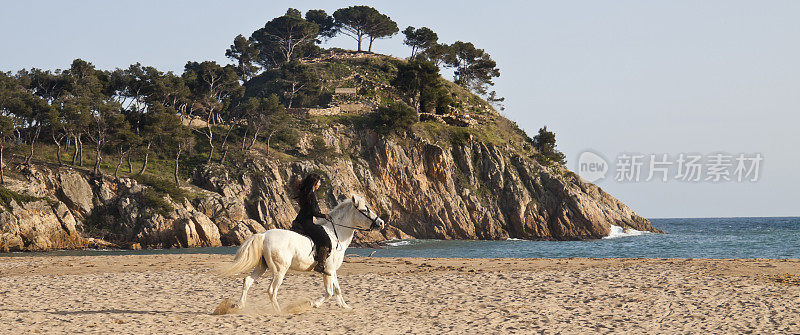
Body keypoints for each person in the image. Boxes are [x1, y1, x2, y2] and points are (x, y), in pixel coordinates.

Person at [291, 173, 332, 275]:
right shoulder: (311, 195)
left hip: (300, 220)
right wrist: (324, 216)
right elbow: (313, 212)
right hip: (306, 223)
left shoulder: (307, 193)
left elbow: (310, 210)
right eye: (319, 182)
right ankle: (320, 265)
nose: (320, 184)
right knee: (325, 240)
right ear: (314, 183)